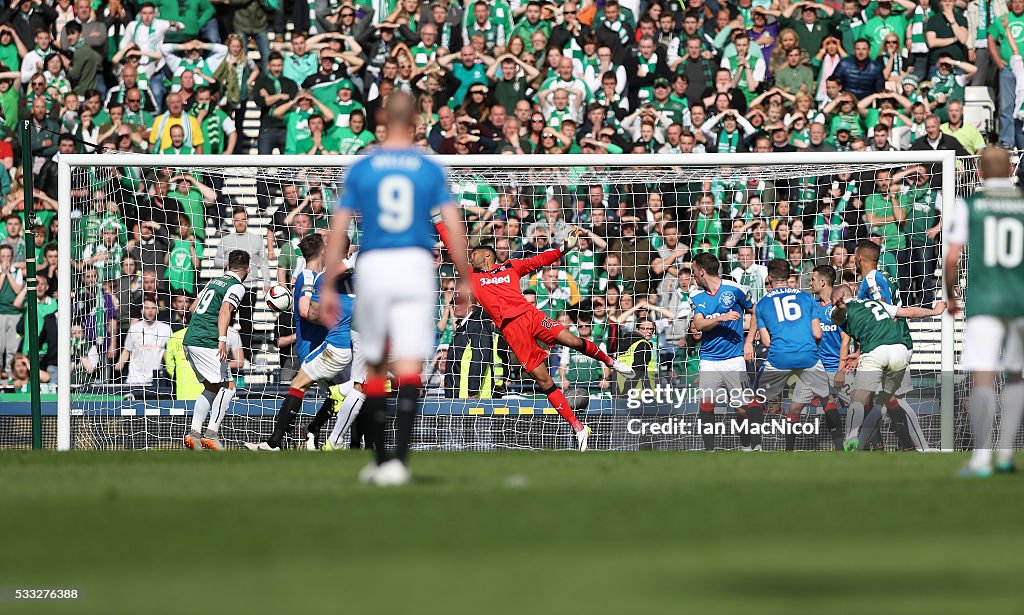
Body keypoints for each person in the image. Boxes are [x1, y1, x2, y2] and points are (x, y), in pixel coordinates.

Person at [319, 91, 471, 487]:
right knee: (408, 365)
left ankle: (381, 458)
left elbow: (339, 226)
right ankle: (398, 463)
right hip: (417, 263)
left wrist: (331, 280)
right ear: (418, 122)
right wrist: (466, 274)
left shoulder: (362, 166)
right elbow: (452, 221)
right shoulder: (428, 167)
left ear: (383, 119)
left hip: (376, 263)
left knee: (373, 363)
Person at [462, 238, 635, 449]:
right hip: (512, 330)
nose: (470, 257)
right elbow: (453, 249)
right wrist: (437, 219)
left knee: (571, 340)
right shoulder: (472, 276)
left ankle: (611, 362)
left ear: (488, 254)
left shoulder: (511, 267)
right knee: (543, 381)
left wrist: (564, 248)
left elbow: (540, 260)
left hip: (531, 315)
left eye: (474, 253)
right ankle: (579, 428)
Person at [945, 146, 1024, 476]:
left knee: (983, 376)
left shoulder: (969, 205)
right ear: (1010, 171)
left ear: (978, 172)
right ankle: (1006, 453)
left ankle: (981, 458)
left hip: (984, 302)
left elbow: (951, 259)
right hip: (1019, 300)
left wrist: (950, 297)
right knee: (1017, 376)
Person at [831, 284, 945, 451]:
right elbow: (910, 312)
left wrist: (840, 308)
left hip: (876, 351)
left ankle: (852, 439)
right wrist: (935, 311)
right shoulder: (877, 304)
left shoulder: (841, 308)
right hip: (899, 350)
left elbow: (840, 317)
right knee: (890, 401)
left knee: (858, 398)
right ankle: (917, 447)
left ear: (836, 299)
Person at [181, 250, 250, 451]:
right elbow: (225, 310)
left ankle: (194, 434)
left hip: (190, 338)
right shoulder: (237, 286)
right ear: (248, 269)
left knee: (212, 387)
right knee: (229, 387)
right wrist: (222, 340)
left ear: (228, 266)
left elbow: (192, 309)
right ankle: (211, 434)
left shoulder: (213, 282)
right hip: (206, 340)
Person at [689, 252, 755, 451]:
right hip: (709, 359)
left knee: (741, 408)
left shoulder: (734, 289)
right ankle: (710, 449)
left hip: (734, 358)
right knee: (706, 405)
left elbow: (755, 311)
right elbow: (698, 323)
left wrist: (749, 342)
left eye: (694, 271)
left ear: (702, 271)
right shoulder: (696, 294)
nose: (693, 276)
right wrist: (720, 318)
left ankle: (746, 446)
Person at [808, 265, 847, 450]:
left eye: (813, 279)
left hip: (840, 369)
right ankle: (839, 447)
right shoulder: (812, 306)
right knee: (828, 407)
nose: (810, 283)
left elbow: (846, 339)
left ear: (823, 282)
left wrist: (841, 370)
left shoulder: (838, 307)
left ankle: (875, 445)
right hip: (819, 369)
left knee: (861, 406)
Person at [114, 295, 171, 386]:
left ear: (157, 310)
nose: (150, 311)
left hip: (155, 381)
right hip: (134, 380)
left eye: (153, 308)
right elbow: (127, 350)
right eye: (147, 308)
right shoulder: (134, 328)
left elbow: (168, 353)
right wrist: (120, 363)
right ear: (142, 310)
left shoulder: (166, 329)